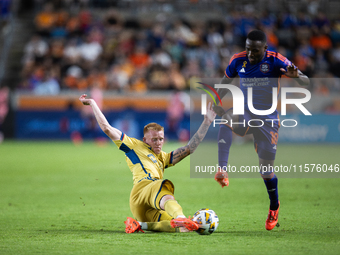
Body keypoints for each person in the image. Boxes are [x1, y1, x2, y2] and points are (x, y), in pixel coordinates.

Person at [213, 30, 310, 231]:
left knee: (266, 172)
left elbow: (306, 80)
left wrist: (297, 77)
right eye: (248, 49)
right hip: (246, 111)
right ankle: (222, 169)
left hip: (268, 118)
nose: (250, 54)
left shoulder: (276, 60)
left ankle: (274, 206)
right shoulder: (238, 60)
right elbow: (224, 82)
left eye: (255, 51)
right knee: (225, 120)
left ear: (265, 49)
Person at [79, 94, 216, 233]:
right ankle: (180, 216)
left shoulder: (163, 157)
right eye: (154, 139)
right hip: (143, 188)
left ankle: (140, 225)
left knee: (181, 228)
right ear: (145, 140)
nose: (158, 143)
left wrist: (207, 122)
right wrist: (92, 103)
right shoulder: (134, 145)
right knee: (163, 187)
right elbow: (107, 128)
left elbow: (189, 148)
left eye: (161, 139)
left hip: (141, 210)